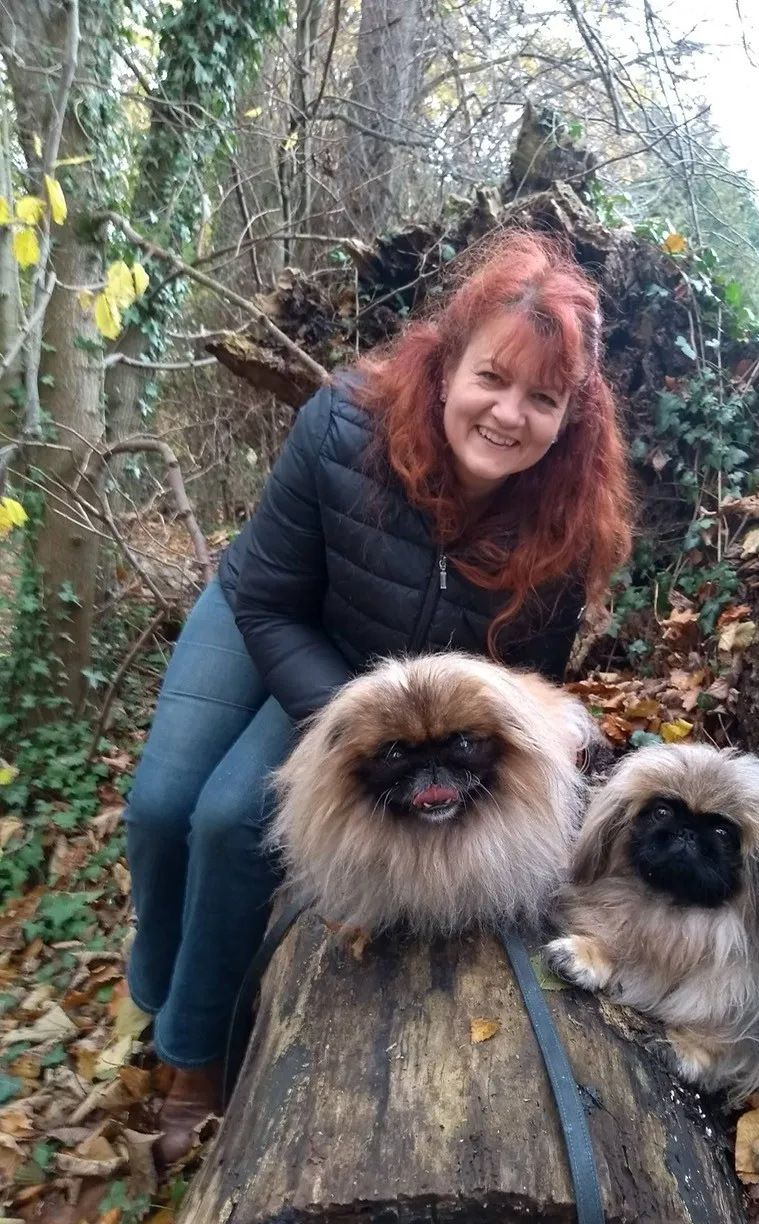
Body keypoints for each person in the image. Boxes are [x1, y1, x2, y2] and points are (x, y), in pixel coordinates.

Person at [123, 228, 633, 1166]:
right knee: (163, 806)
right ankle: (157, 994)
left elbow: (528, 678)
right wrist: (352, 728)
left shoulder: (568, 517)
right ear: (446, 363)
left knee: (233, 822)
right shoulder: (341, 422)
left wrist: (541, 737)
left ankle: (192, 1056)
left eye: (543, 398)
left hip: (402, 688)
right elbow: (272, 600)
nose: (509, 415)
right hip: (276, 617)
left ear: (573, 411)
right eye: (492, 377)